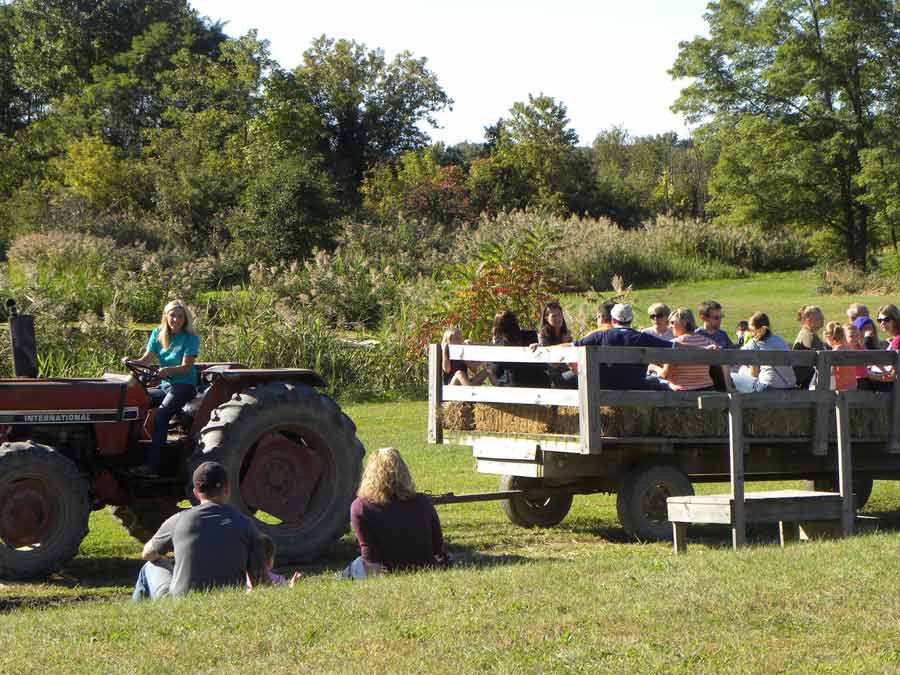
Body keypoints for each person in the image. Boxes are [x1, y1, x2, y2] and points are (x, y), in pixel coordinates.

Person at [132, 461, 268, 600]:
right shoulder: (246, 524)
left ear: (196, 493)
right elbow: (260, 582)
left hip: (179, 605)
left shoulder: (178, 520)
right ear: (227, 489)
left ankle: (134, 618)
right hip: (228, 603)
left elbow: (147, 553)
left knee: (149, 566)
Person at [123, 299, 200, 476]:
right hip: (166, 385)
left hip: (184, 385)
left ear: (185, 319)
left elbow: (186, 367)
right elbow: (146, 359)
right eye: (173, 315)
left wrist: (168, 370)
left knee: (162, 414)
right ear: (166, 317)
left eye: (180, 316)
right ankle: (131, 457)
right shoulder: (158, 333)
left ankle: (153, 466)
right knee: (136, 402)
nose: (176, 320)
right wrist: (130, 361)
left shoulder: (191, 338)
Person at [345, 447, 448, 579]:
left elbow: (370, 558)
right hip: (425, 566)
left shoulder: (360, 507)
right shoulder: (424, 502)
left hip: (387, 571)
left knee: (352, 569)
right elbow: (438, 547)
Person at [568, 303, 673, 390]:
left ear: (613, 320)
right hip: (635, 387)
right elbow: (672, 347)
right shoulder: (643, 337)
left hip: (606, 388)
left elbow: (573, 347)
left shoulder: (600, 335)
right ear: (631, 320)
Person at [648, 308, 717, 391]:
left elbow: (666, 375)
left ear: (684, 323)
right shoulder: (709, 342)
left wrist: (654, 367)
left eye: (672, 322)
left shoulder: (673, 344)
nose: (670, 326)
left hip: (681, 391)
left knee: (650, 383)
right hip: (706, 388)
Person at [731, 313, 796, 393]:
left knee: (731, 376)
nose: (751, 333)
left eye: (751, 330)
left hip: (769, 387)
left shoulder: (754, 343)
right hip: (790, 386)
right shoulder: (780, 340)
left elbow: (735, 358)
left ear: (754, 329)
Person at [488, 310, 546, 387]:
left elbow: (493, 371)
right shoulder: (531, 335)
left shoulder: (530, 337)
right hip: (519, 386)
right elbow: (493, 371)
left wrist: (540, 347)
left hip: (534, 383)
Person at [861, 304, 900, 392]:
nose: (882, 323)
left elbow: (893, 374)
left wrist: (868, 374)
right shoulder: (894, 339)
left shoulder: (897, 341)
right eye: (879, 320)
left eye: (886, 320)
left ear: (896, 320)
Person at [792, 305, 826, 390]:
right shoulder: (809, 336)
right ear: (808, 319)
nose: (823, 319)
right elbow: (824, 356)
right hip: (805, 382)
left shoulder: (806, 333)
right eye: (819, 318)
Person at [823, 322, 856, 391]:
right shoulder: (850, 348)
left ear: (829, 337)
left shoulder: (836, 351)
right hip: (853, 386)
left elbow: (830, 372)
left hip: (840, 389)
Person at [845, 322, 868, 388]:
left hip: (863, 378)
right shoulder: (844, 350)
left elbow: (871, 358)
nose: (855, 338)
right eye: (851, 336)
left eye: (857, 335)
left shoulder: (861, 348)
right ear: (844, 337)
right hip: (849, 380)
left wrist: (884, 371)